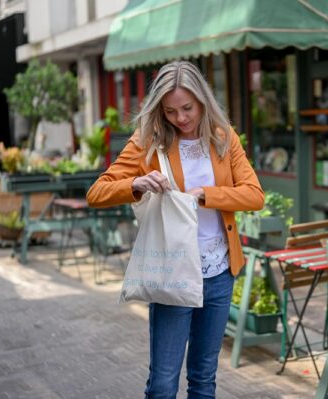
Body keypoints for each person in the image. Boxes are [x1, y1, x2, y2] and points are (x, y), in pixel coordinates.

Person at [86, 60, 264, 398]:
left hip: (218, 273)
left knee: (203, 378)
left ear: (203, 102)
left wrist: (205, 195)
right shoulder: (147, 142)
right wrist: (136, 183)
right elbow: (96, 193)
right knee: (164, 383)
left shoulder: (225, 140)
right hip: (173, 272)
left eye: (187, 108)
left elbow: (254, 195)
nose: (181, 118)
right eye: (170, 111)